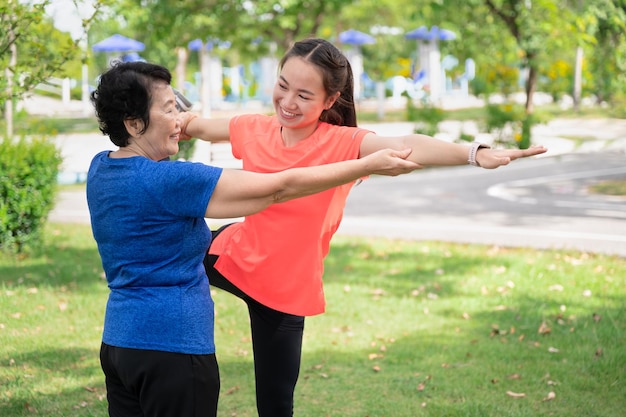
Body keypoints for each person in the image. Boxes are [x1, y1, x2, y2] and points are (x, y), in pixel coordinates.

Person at [179, 38, 548, 416]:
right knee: (167, 252)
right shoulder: (254, 128)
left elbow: (407, 144)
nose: (288, 102)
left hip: (283, 289)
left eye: (304, 95)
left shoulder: (343, 143)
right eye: (283, 85)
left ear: (329, 100)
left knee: (275, 405)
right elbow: (200, 128)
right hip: (235, 255)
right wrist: (175, 117)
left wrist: (475, 154)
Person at [86, 60, 421, 417]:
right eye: (169, 110)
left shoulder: (100, 167)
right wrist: (366, 165)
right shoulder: (169, 181)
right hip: (174, 352)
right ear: (134, 123)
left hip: (119, 346)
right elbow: (279, 188)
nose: (179, 120)